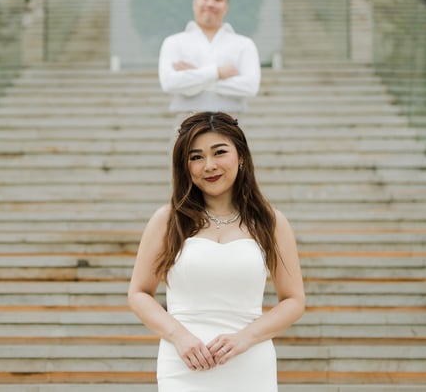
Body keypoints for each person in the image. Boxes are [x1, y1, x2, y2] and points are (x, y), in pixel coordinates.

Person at [128, 112, 305, 391]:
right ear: (185, 166)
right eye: (196, 157)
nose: (209, 166)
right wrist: (179, 337)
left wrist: (245, 338)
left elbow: (293, 300)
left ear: (241, 156)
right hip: (183, 363)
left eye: (219, 152)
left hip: (250, 363)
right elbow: (139, 293)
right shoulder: (168, 220)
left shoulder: (270, 222)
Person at [158, 0, 261, 116]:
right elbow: (169, 83)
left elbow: (250, 87)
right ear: (194, 2)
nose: (211, 4)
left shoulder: (244, 44)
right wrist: (217, 73)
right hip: (186, 122)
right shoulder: (174, 42)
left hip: (230, 123)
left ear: (226, 6)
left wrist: (196, 74)